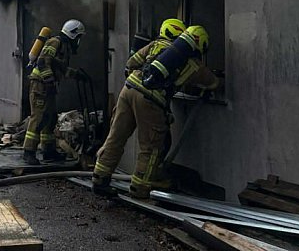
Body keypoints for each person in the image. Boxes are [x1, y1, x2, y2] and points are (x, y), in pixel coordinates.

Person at [92, 21, 219, 199]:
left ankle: (100, 178)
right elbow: (212, 82)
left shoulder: (156, 44)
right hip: (150, 100)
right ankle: (139, 189)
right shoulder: (192, 64)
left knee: (116, 136)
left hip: (128, 90)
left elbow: (131, 62)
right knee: (151, 147)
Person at [23, 19, 89, 165]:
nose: (79, 41)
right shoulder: (55, 42)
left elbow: (61, 68)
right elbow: (42, 62)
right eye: (78, 37)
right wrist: (49, 81)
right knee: (38, 118)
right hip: (40, 85)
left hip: (49, 86)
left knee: (50, 118)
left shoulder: (64, 47)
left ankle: (48, 150)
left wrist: (77, 75)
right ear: (73, 34)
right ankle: (28, 152)